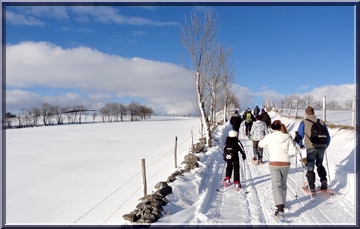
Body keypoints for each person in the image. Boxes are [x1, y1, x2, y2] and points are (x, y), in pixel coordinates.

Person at [258, 120, 298, 221]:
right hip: (285, 162)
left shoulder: (269, 137)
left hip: (274, 162)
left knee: (276, 185)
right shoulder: (287, 136)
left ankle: (280, 209)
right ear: (281, 127)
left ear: (272, 127)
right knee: (283, 183)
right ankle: (282, 203)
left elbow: (261, 144)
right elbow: (294, 151)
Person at [295, 106, 331, 193]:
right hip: (322, 146)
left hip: (311, 146)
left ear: (305, 113)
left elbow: (299, 136)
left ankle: (311, 186)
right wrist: (325, 145)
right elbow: (328, 136)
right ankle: (324, 182)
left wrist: (300, 145)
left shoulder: (304, 122)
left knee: (310, 166)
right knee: (320, 164)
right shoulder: (321, 122)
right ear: (314, 112)